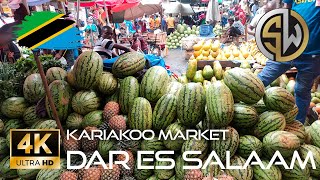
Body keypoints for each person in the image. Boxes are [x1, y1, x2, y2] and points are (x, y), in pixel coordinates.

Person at [257, 0, 320, 125]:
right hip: (287, 47)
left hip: (312, 53)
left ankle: (298, 125)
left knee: (302, 90)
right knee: (262, 79)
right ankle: (241, 110)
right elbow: (286, 10)